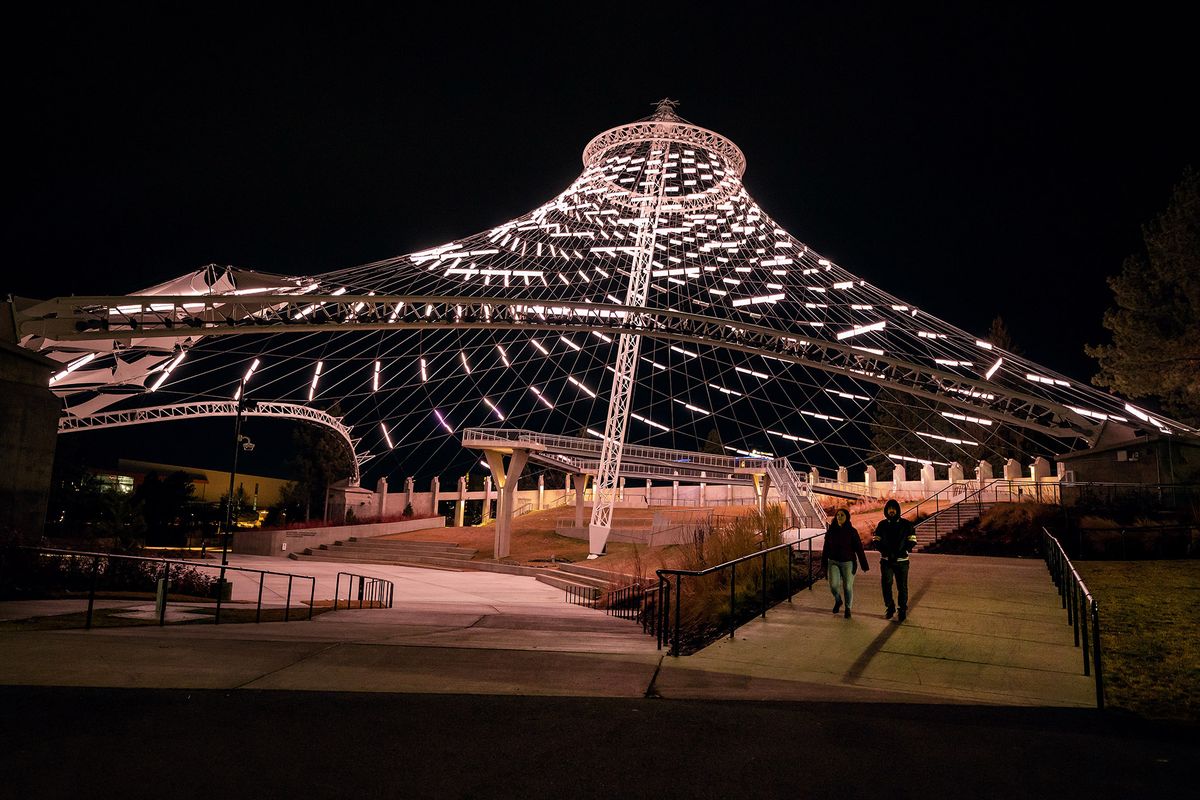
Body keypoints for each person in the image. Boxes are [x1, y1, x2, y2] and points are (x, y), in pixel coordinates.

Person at [872, 499, 918, 622]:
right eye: (889, 508)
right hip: (886, 561)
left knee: (902, 586)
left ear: (898, 510)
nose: (891, 511)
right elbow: (876, 540)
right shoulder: (882, 525)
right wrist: (885, 552)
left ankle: (902, 610)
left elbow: (912, 540)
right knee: (886, 585)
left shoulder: (907, 525)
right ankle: (890, 607)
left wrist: (903, 551)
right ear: (886, 510)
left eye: (894, 508)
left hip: (902, 561)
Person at [822, 507, 869, 619]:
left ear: (847, 517)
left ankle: (848, 608)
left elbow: (859, 549)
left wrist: (864, 564)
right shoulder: (831, 532)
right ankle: (838, 601)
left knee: (847, 587)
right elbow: (826, 549)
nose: (839, 517)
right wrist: (823, 563)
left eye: (842, 515)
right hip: (833, 562)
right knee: (833, 586)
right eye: (838, 515)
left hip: (848, 562)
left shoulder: (852, 532)